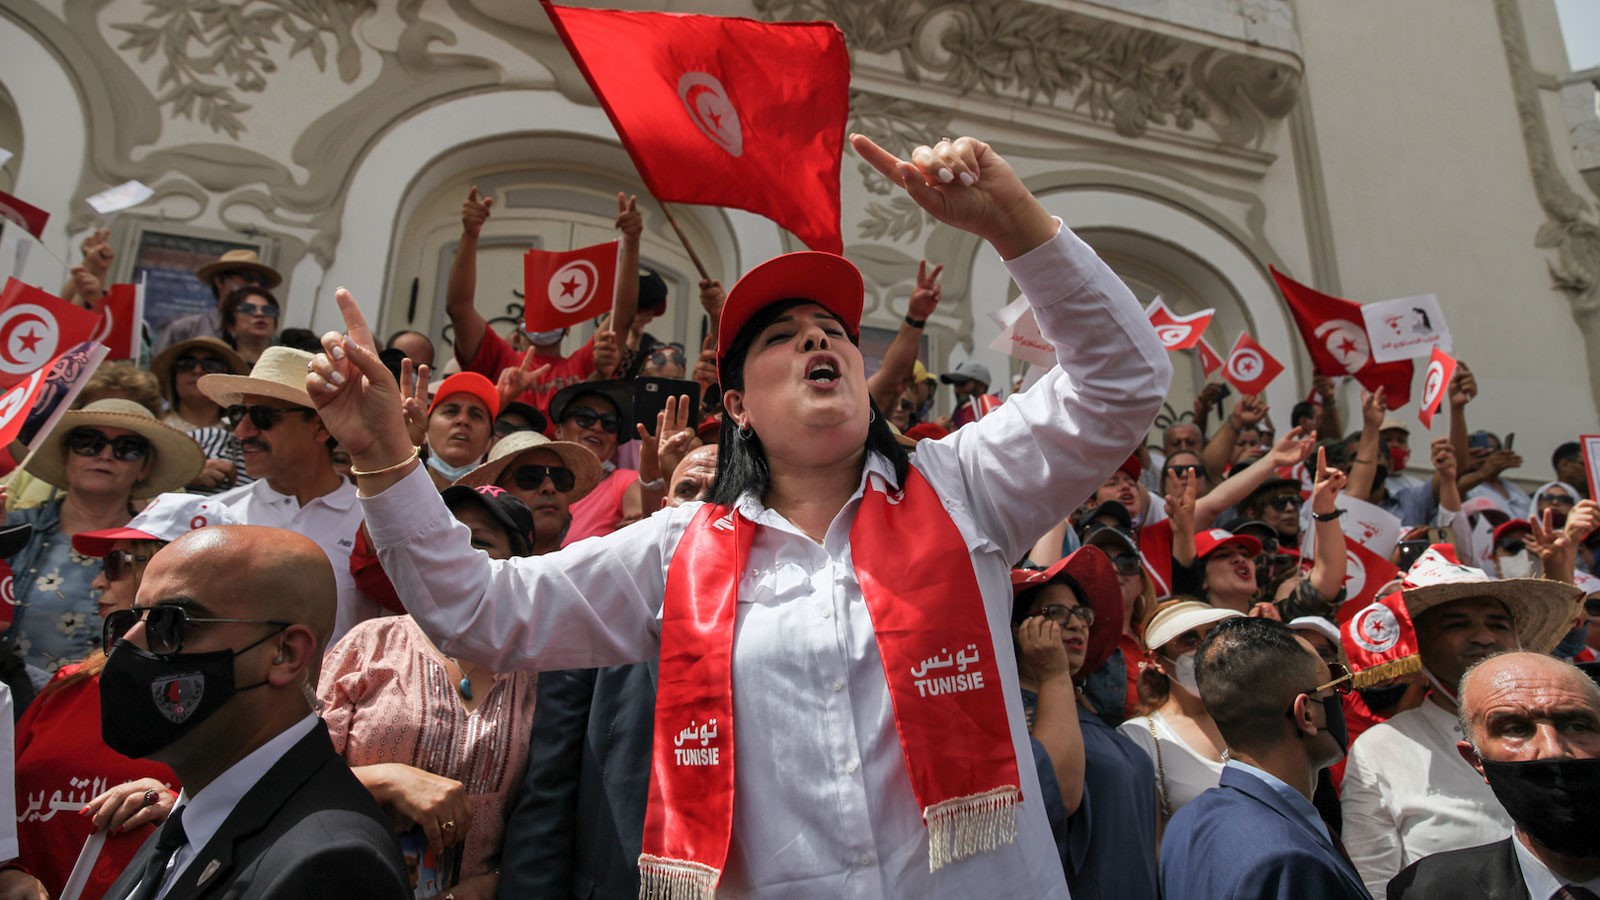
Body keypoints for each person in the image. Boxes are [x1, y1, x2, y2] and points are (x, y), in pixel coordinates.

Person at [309, 133, 1171, 897]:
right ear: (740, 406)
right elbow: (479, 613)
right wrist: (387, 455)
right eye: (780, 336)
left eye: (831, 328)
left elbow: (1126, 380)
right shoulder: (674, 551)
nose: (817, 340)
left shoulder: (964, 485)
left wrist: (1011, 220)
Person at [99, 526, 409, 900]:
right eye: (128, 622)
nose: (128, 646)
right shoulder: (187, 825)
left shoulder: (330, 865)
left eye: (171, 624)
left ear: (285, 654)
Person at [497, 446, 718, 900]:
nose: (700, 507)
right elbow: (551, 788)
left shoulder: (787, 628)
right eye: (687, 491)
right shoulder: (596, 616)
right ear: (663, 512)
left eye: (722, 493)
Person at [4, 495, 235, 900]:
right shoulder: (67, 685)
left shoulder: (242, 703)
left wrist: (179, 810)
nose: (97, 583)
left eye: (115, 566)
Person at [320, 486, 540, 900]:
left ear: (518, 566)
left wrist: (492, 883)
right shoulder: (369, 644)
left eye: (479, 541)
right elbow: (294, 778)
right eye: (445, 537)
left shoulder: (542, 674)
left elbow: (551, 812)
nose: (457, 553)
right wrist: (388, 780)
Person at [1341, 547, 1585, 896]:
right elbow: (1373, 886)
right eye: (1458, 624)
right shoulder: (1381, 749)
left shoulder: (1574, 729)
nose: (1484, 637)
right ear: (1418, 646)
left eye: (1497, 624)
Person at [1159, 617, 1371, 900]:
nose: (1340, 697)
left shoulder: (1187, 821)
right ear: (1306, 714)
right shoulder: (1289, 861)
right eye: (1333, 685)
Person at [3, 400, 204, 680]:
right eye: (88, 442)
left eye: (128, 448)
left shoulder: (163, 547)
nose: (106, 455)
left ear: (144, 467)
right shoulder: (12, 531)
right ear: (65, 455)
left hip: (113, 708)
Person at [199, 346, 383, 642]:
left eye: (262, 416)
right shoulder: (215, 514)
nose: (242, 432)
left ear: (321, 426)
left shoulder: (374, 521)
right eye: (237, 415)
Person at [1388, 652, 1600, 899]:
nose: (1552, 750)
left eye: (1577, 726)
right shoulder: (1428, 891)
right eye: (1516, 729)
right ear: (1476, 761)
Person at [1011, 547, 1158, 900]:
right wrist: (1054, 674)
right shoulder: (1011, 719)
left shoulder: (1092, 710)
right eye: (1055, 613)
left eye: (1080, 613)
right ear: (1016, 629)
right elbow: (1057, 795)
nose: (1076, 623)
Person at [1119, 600, 1244, 820]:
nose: (1206, 647)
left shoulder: (1252, 717)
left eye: (1213, 634)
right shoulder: (1139, 737)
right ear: (1157, 660)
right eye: (1189, 639)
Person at [455, 431, 601, 555]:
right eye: (530, 478)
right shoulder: (472, 576)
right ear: (496, 491)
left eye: (560, 478)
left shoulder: (590, 577)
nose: (549, 487)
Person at [150, 337, 251, 495]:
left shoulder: (248, 432)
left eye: (211, 364)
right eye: (186, 364)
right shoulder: (151, 428)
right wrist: (185, 474)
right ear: (173, 376)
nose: (197, 370)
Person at [546, 381, 640, 543]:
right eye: (585, 417)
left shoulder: (625, 481)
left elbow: (641, 520)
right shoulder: (537, 483)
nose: (597, 427)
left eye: (609, 423)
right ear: (559, 431)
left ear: (615, 442)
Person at [154, 249, 282, 353]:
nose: (255, 285)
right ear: (220, 281)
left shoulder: (268, 335)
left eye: (260, 281)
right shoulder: (185, 329)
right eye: (247, 277)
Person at [421, 372, 498, 488]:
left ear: (490, 442)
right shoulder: (392, 490)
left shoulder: (499, 504)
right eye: (451, 411)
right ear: (425, 430)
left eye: (476, 415)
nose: (463, 420)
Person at [217, 286, 280, 368]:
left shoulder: (287, 367)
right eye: (247, 309)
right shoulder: (219, 366)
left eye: (268, 310)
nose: (260, 314)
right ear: (230, 325)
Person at [940, 361, 1001, 427]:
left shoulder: (996, 419)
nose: (956, 390)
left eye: (961, 383)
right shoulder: (953, 422)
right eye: (955, 385)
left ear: (981, 386)